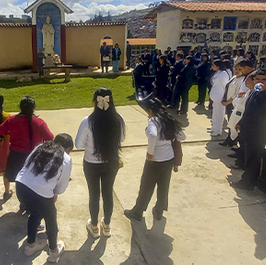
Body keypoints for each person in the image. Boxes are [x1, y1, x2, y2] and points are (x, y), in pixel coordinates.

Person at [76, 87, 126, 238]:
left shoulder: (88, 121)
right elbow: (122, 139)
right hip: (111, 162)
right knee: (108, 193)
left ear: (94, 101)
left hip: (91, 164)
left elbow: (78, 145)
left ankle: (94, 226)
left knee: (94, 195)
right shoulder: (119, 119)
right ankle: (107, 225)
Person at [125, 98, 185, 221]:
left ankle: (138, 212)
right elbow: (182, 135)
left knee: (146, 186)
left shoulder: (153, 121)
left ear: (151, 111)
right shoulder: (169, 119)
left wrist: (150, 152)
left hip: (155, 160)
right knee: (164, 185)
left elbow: (152, 135)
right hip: (168, 159)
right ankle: (159, 210)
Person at [17, 139, 73, 262]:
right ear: (68, 149)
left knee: (36, 212)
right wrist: (53, 193)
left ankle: (30, 246)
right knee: (51, 217)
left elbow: (26, 165)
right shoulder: (66, 158)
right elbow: (62, 187)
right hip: (41, 194)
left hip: (21, 187)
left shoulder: (40, 146)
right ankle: (53, 251)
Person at [0, 96, 54, 201]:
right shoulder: (39, 122)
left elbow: (0, 130)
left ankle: (22, 201)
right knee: (33, 180)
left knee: (19, 180)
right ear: (33, 107)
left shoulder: (12, 120)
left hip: (16, 156)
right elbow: (50, 137)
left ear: (20, 107)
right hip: (35, 156)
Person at [231, 69, 266, 189]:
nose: (260, 82)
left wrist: (263, 93)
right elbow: (248, 110)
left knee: (254, 159)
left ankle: (248, 183)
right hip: (247, 130)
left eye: (264, 80)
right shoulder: (253, 92)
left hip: (258, 132)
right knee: (248, 157)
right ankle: (248, 179)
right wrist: (241, 122)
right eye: (257, 79)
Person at [209, 60, 231, 137]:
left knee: (219, 113)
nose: (212, 66)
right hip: (215, 97)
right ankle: (214, 127)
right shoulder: (217, 73)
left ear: (218, 66)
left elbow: (225, 86)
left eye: (213, 65)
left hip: (220, 96)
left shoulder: (223, 74)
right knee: (215, 113)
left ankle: (218, 129)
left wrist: (224, 97)